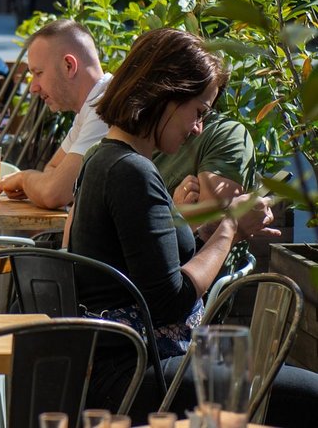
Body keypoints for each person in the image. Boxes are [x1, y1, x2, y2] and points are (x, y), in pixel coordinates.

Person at [68, 28, 318, 424]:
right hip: (138, 376)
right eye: (198, 111)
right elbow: (171, 300)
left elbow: (137, 264)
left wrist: (200, 232)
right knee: (312, 395)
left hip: (112, 369)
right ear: (164, 94)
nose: (198, 128)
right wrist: (229, 229)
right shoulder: (132, 171)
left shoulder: (102, 160)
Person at [0, 20, 109, 209]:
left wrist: (24, 179)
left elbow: (52, 193)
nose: (33, 87)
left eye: (38, 73)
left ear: (69, 66)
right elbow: (51, 171)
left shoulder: (105, 107)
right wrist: (49, 183)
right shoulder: (91, 105)